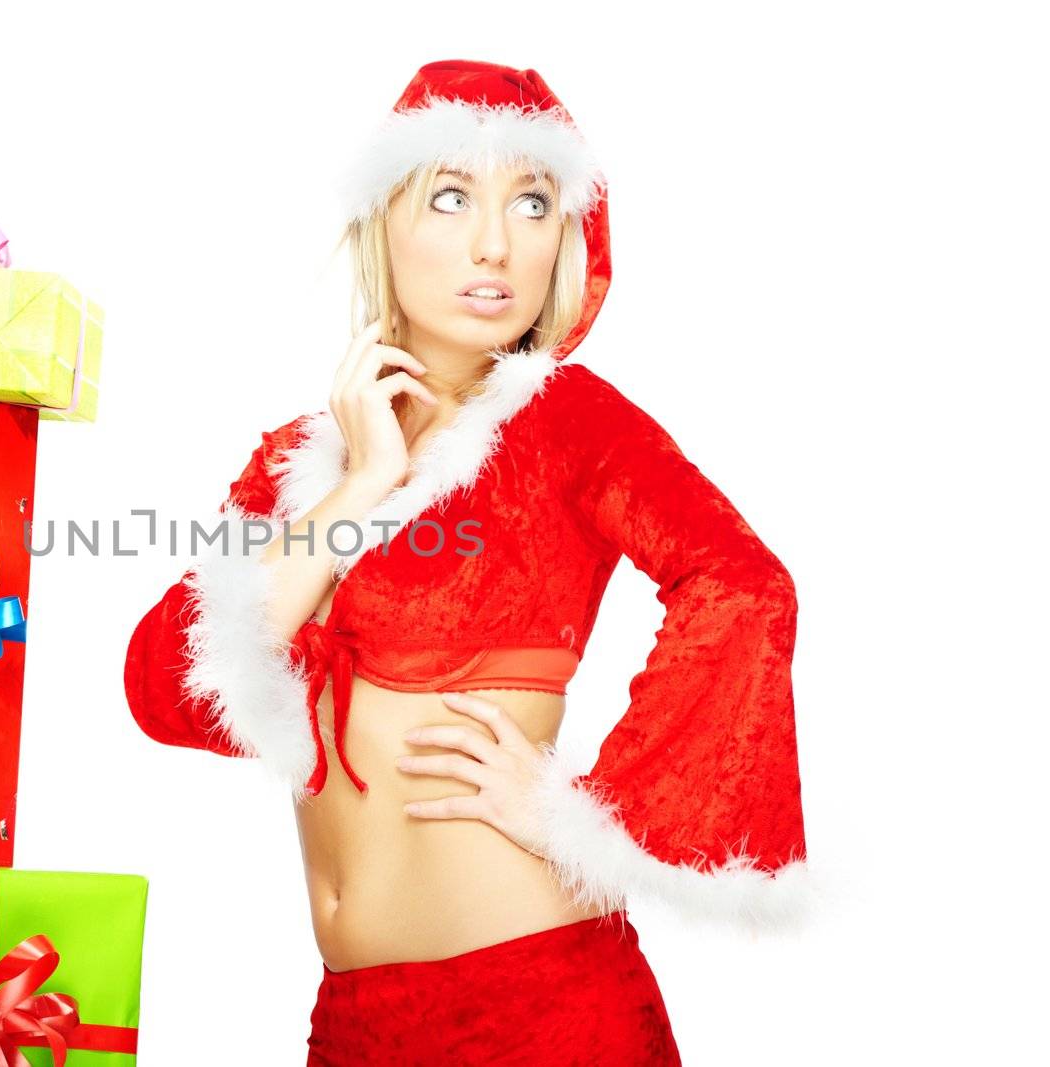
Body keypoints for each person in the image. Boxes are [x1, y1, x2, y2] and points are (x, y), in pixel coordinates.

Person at [124, 59, 808, 1065]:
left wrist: (589, 813)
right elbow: (168, 688)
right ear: (382, 221)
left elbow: (744, 584)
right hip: (351, 1022)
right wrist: (357, 487)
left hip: (540, 1007)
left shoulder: (570, 424)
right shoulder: (298, 461)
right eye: (451, 197)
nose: (495, 243)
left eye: (531, 203)